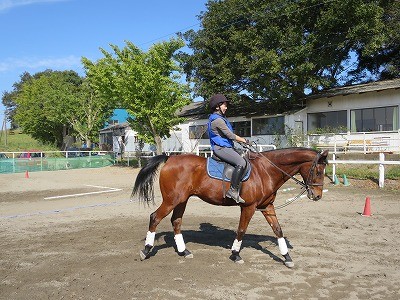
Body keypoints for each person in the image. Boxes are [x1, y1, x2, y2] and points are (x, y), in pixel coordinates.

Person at [207, 94, 248, 204]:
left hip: (226, 146)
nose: (226, 107)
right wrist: (244, 140)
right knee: (241, 162)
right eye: (224, 105)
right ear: (217, 107)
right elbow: (230, 135)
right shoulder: (218, 121)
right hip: (221, 148)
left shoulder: (220, 118)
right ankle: (233, 191)